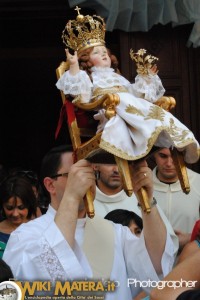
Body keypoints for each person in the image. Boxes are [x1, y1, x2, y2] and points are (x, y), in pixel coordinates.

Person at [3, 145, 176, 300]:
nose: (87, 181)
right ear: (50, 185)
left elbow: (156, 264)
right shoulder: (25, 236)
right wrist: (71, 196)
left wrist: (147, 199)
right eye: (76, 175)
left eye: (92, 174)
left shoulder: (114, 231)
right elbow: (42, 280)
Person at [56, 7, 199, 166]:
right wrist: (74, 65)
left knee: (153, 110)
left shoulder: (116, 77)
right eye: (96, 53)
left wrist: (146, 77)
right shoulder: (89, 78)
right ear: (86, 60)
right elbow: (83, 98)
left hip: (134, 107)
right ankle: (154, 129)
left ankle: (181, 139)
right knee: (126, 102)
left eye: (105, 51)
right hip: (113, 113)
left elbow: (134, 92)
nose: (104, 54)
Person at [92, 156, 179, 254]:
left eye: (122, 164)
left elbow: (168, 249)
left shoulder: (142, 197)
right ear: (95, 165)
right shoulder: (85, 204)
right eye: (110, 163)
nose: (116, 170)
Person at [152, 147, 200, 251]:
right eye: (163, 156)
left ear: (185, 156)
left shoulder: (198, 183)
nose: (169, 163)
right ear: (154, 154)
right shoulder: (140, 187)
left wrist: (190, 238)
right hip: (149, 265)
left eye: (176, 156)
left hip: (191, 264)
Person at [0, 176, 37, 258]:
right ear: (2, 205)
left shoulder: (40, 231)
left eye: (21, 207)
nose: (15, 214)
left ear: (29, 204)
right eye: (9, 208)